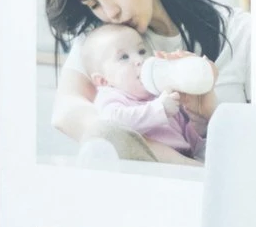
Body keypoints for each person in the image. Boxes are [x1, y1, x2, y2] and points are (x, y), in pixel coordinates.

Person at [46, 0, 250, 163]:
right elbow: (66, 112)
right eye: (93, 4)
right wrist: (169, 160)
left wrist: (209, 114)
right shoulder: (104, 40)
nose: (110, 12)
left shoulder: (238, 31)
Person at [82, 23, 206, 163]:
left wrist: (197, 126)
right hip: (147, 163)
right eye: (124, 57)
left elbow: (188, 139)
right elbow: (113, 123)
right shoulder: (111, 96)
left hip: (185, 158)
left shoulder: (160, 94)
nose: (139, 60)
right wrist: (160, 109)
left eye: (141, 51)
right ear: (103, 81)